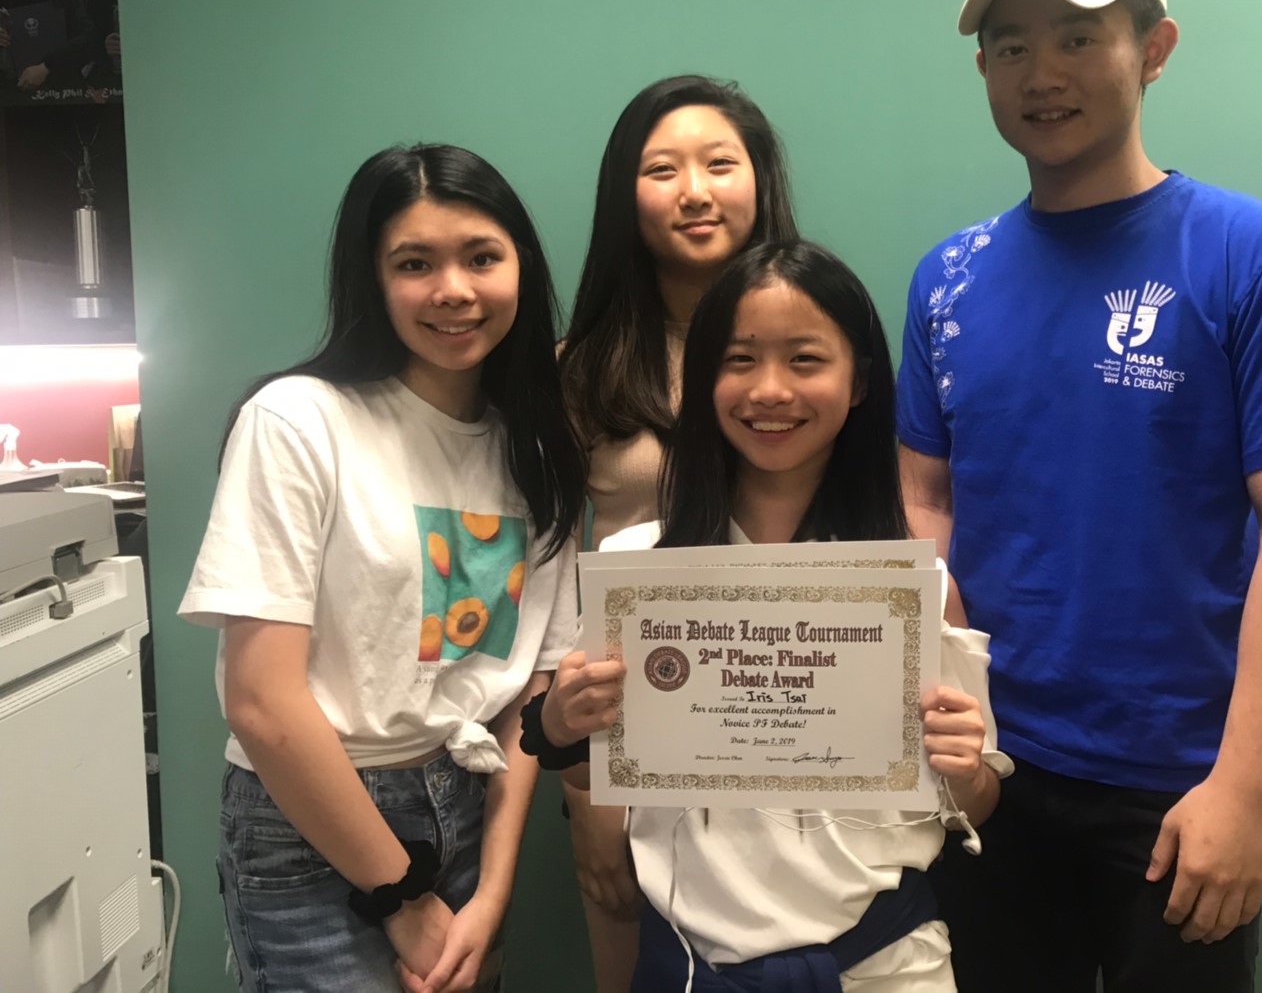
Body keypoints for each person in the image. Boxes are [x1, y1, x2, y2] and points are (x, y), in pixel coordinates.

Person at [895, 0, 1262, 993]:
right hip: (987, 772)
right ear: (983, 69)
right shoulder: (947, 277)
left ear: (1153, 49)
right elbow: (924, 502)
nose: (1040, 73)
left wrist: (1245, 792)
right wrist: (946, 704)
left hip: (1178, 787)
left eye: (1077, 37)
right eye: (1011, 47)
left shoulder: (1258, 254)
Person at [537, 240, 1013, 991]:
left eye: (804, 360)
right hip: (692, 967)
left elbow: (974, 803)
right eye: (739, 360)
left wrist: (965, 767)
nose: (769, 389)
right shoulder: (638, 572)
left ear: (859, 381)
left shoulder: (915, 586)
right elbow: (582, 751)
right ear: (704, 380)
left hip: (887, 967)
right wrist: (562, 722)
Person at [179, 144, 586, 993]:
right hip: (312, 825)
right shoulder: (297, 421)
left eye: (482, 257)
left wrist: (493, 893)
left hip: (467, 808)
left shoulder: (538, 453)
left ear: (521, 266)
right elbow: (261, 701)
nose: (453, 289)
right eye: (414, 263)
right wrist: (399, 895)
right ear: (372, 278)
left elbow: (527, 695)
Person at [557, 74, 800, 991]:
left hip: (794, 723)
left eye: (719, 164)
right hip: (632, 738)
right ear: (627, 194)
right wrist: (586, 789)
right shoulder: (578, 372)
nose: (695, 191)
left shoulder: (819, 345)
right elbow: (551, 597)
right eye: (663, 170)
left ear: (759, 179)